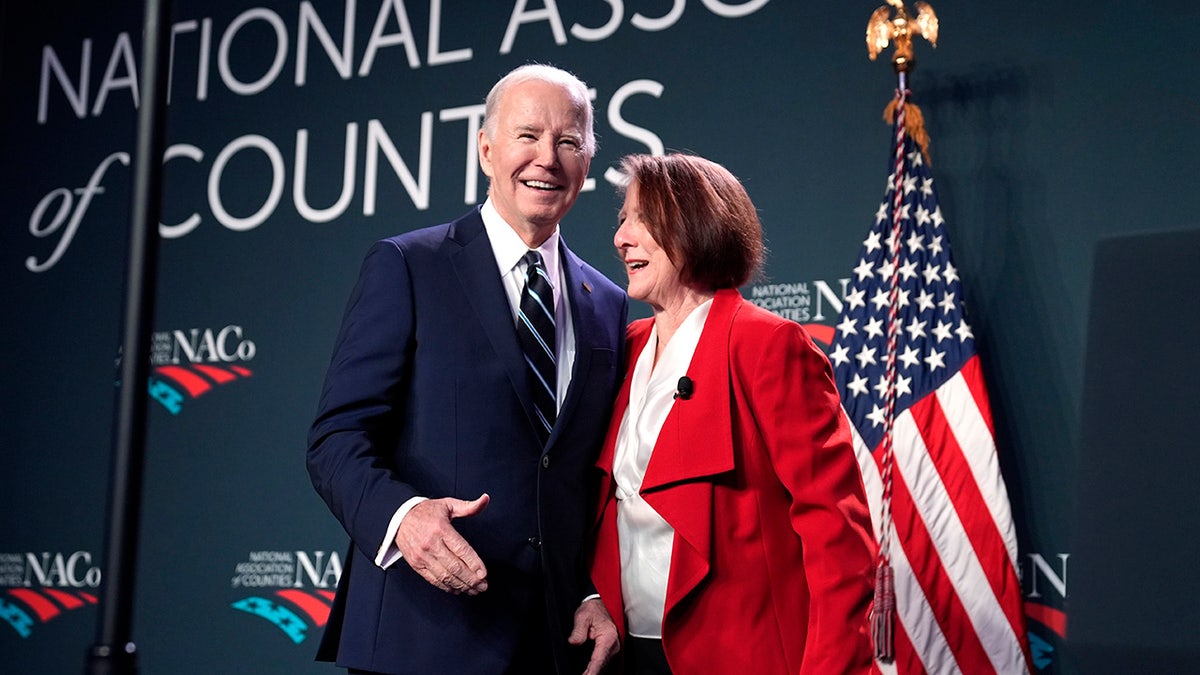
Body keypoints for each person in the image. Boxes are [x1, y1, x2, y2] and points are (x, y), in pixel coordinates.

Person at [307, 64, 627, 675]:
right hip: (420, 636)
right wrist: (403, 519)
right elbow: (335, 440)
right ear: (486, 149)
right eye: (527, 136)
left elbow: (578, 477)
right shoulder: (407, 265)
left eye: (568, 141)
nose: (547, 159)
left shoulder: (607, 303)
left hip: (552, 644)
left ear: (587, 162)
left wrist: (587, 588)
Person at [589, 153, 878, 674]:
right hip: (630, 655)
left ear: (696, 224)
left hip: (743, 654)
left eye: (641, 219)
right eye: (621, 220)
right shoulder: (624, 348)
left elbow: (836, 530)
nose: (621, 238)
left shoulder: (769, 346)